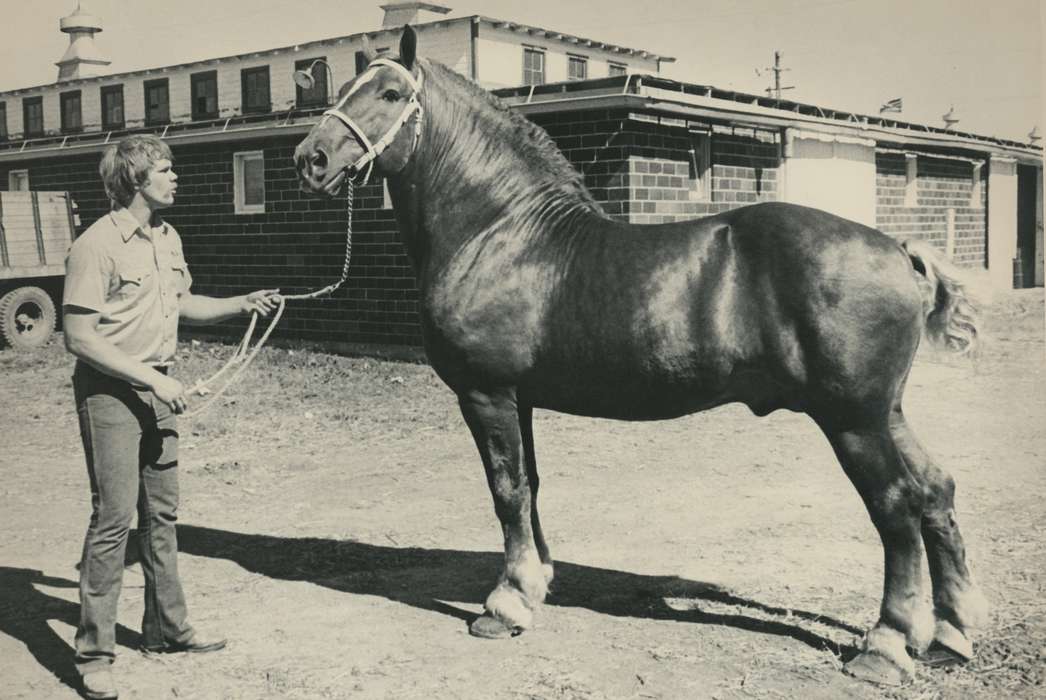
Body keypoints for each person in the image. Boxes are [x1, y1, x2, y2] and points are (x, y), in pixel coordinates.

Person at [62, 134, 281, 700]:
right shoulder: (96, 245)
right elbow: (79, 337)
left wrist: (240, 303)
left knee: (161, 515)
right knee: (114, 521)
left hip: (159, 389)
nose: (175, 177)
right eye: (164, 169)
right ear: (135, 180)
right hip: (110, 393)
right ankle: (95, 654)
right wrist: (151, 378)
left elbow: (182, 303)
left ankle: (167, 629)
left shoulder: (167, 236)